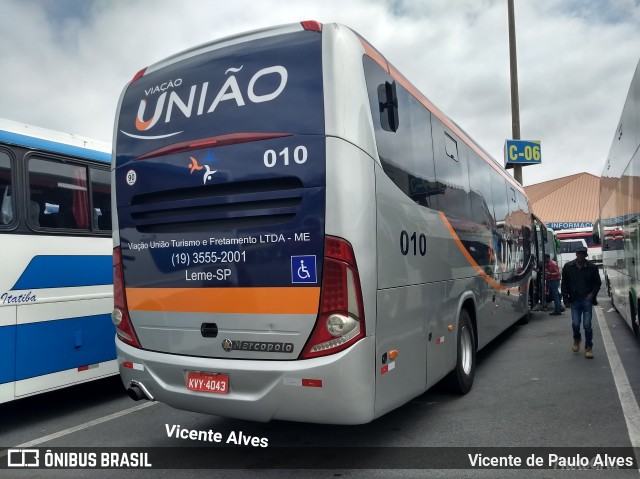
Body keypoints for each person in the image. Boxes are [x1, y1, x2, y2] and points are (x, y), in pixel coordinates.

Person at [561, 246, 601, 359]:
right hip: (574, 299)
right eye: (578, 253)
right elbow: (564, 284)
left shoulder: (592, 268)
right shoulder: (568, 267)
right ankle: (577, 339)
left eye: (582, 254)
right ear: (576, 254)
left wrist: (592, 294)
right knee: (576, 323)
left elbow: (597, 283)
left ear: (585, 255)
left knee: (587, 325)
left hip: (587, 300)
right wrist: (565, 299)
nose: (580, 256)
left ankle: (588, 347)